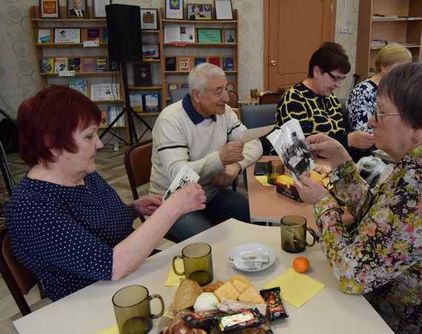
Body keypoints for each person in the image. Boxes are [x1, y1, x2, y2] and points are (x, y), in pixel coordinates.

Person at [296, 62, 422, 332]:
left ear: (419, 126)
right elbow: (383, 219)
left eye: (381, 113)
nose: (370, 120)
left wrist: (323, 205)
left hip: (419, 325)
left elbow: (351, 274)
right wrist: (342, 162)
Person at [5, 85, 206, 301]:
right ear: (51, 144)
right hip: (93, 300)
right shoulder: (31, 206)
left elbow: (94, 223)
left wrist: (132, 208)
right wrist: (173, 207)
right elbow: (112, 266)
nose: (99, 144)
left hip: (133, 277)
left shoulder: (83, 174)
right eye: (89, 136)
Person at [150, 63, 262, 241]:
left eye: (226, 89)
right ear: (197, 95)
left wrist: (235, 165)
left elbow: (254, 143)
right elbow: (178, 175)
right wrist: (219, 158)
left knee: (257, 216)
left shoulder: (223, 112)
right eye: (218, 92)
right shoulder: (170, 120)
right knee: (209, 243)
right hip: (173, 202)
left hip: (209, 193)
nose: (226, 97)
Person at [276, 42, 374, 155]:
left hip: (335, 161)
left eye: (341, 79)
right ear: (317, 72)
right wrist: (349, 140)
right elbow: (300, 149)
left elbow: (339, 133)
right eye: (335, 78)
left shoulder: (330, 97)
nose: (338, 85)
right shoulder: (294, 99)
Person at [346, 43, 412, 161]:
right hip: (369, 155)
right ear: (384, 66)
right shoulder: (363, 91)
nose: (405, 74)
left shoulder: (395, 90)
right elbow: (362, 132)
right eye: (401, 69)